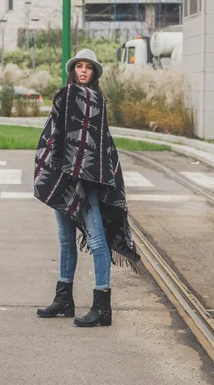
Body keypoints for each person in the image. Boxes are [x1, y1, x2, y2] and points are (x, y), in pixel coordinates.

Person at [34, 49, 140, 328]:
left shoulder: (97, 101)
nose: (83, 71)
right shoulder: (64, 96)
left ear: (94, 73)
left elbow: (97, 143)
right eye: (78, 66)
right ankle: (64, 299)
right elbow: (53, 133)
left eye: (88, 68)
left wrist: (85, 171)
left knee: (96, 241)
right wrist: (54, 167)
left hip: (89, 181)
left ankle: (103, 306)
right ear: (73, 71)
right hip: (62, 180)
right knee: (66, 241)